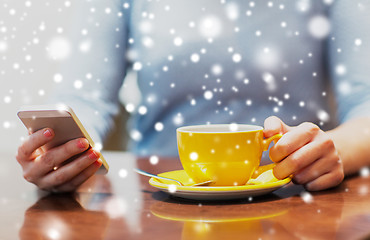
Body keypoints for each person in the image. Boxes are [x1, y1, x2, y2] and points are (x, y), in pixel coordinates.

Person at [16, 1, 370, 192]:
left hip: (293, 197)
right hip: (160, 203)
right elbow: (84, 96)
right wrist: (60, 149)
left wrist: (331, 150)